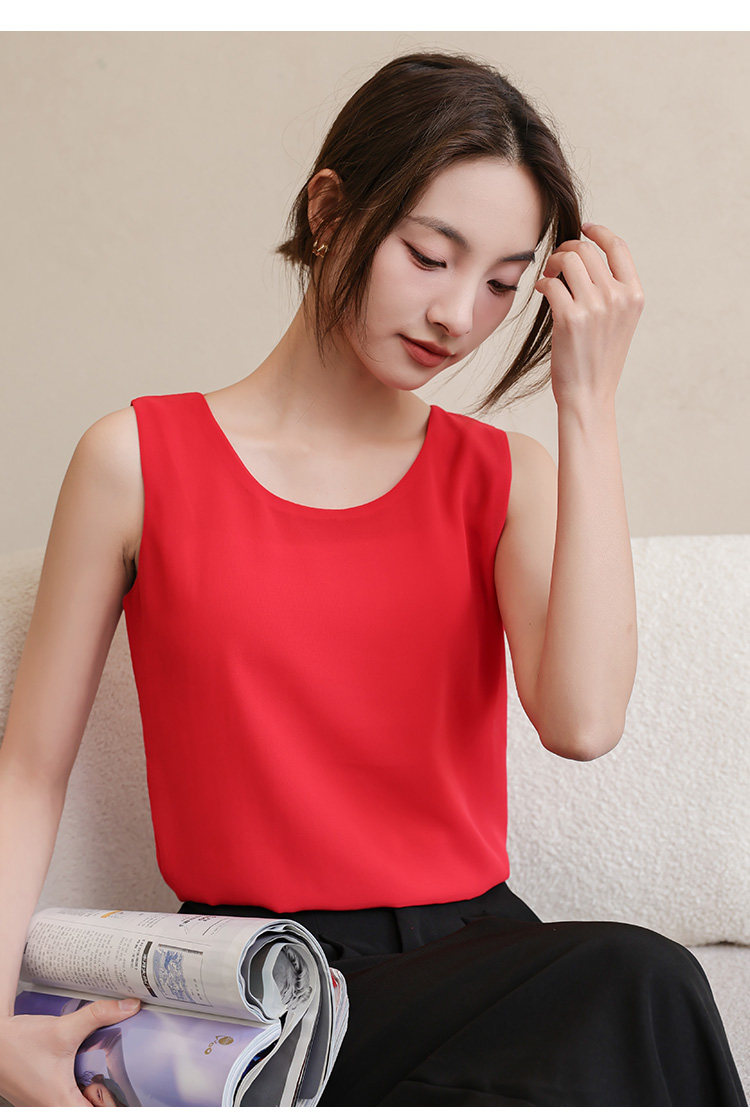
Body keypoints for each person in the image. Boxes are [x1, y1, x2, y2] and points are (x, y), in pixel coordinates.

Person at [0, 49, 745, 1108]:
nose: (459, 316)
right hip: (262, 985)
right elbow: (28, 773)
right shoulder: (135, 461)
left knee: (630, 991)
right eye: (429, 256)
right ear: (329, 212)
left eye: (502, 283)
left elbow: (583, 722)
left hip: (474, 965)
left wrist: (589, 404)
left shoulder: (505, 477)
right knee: (638, 983)